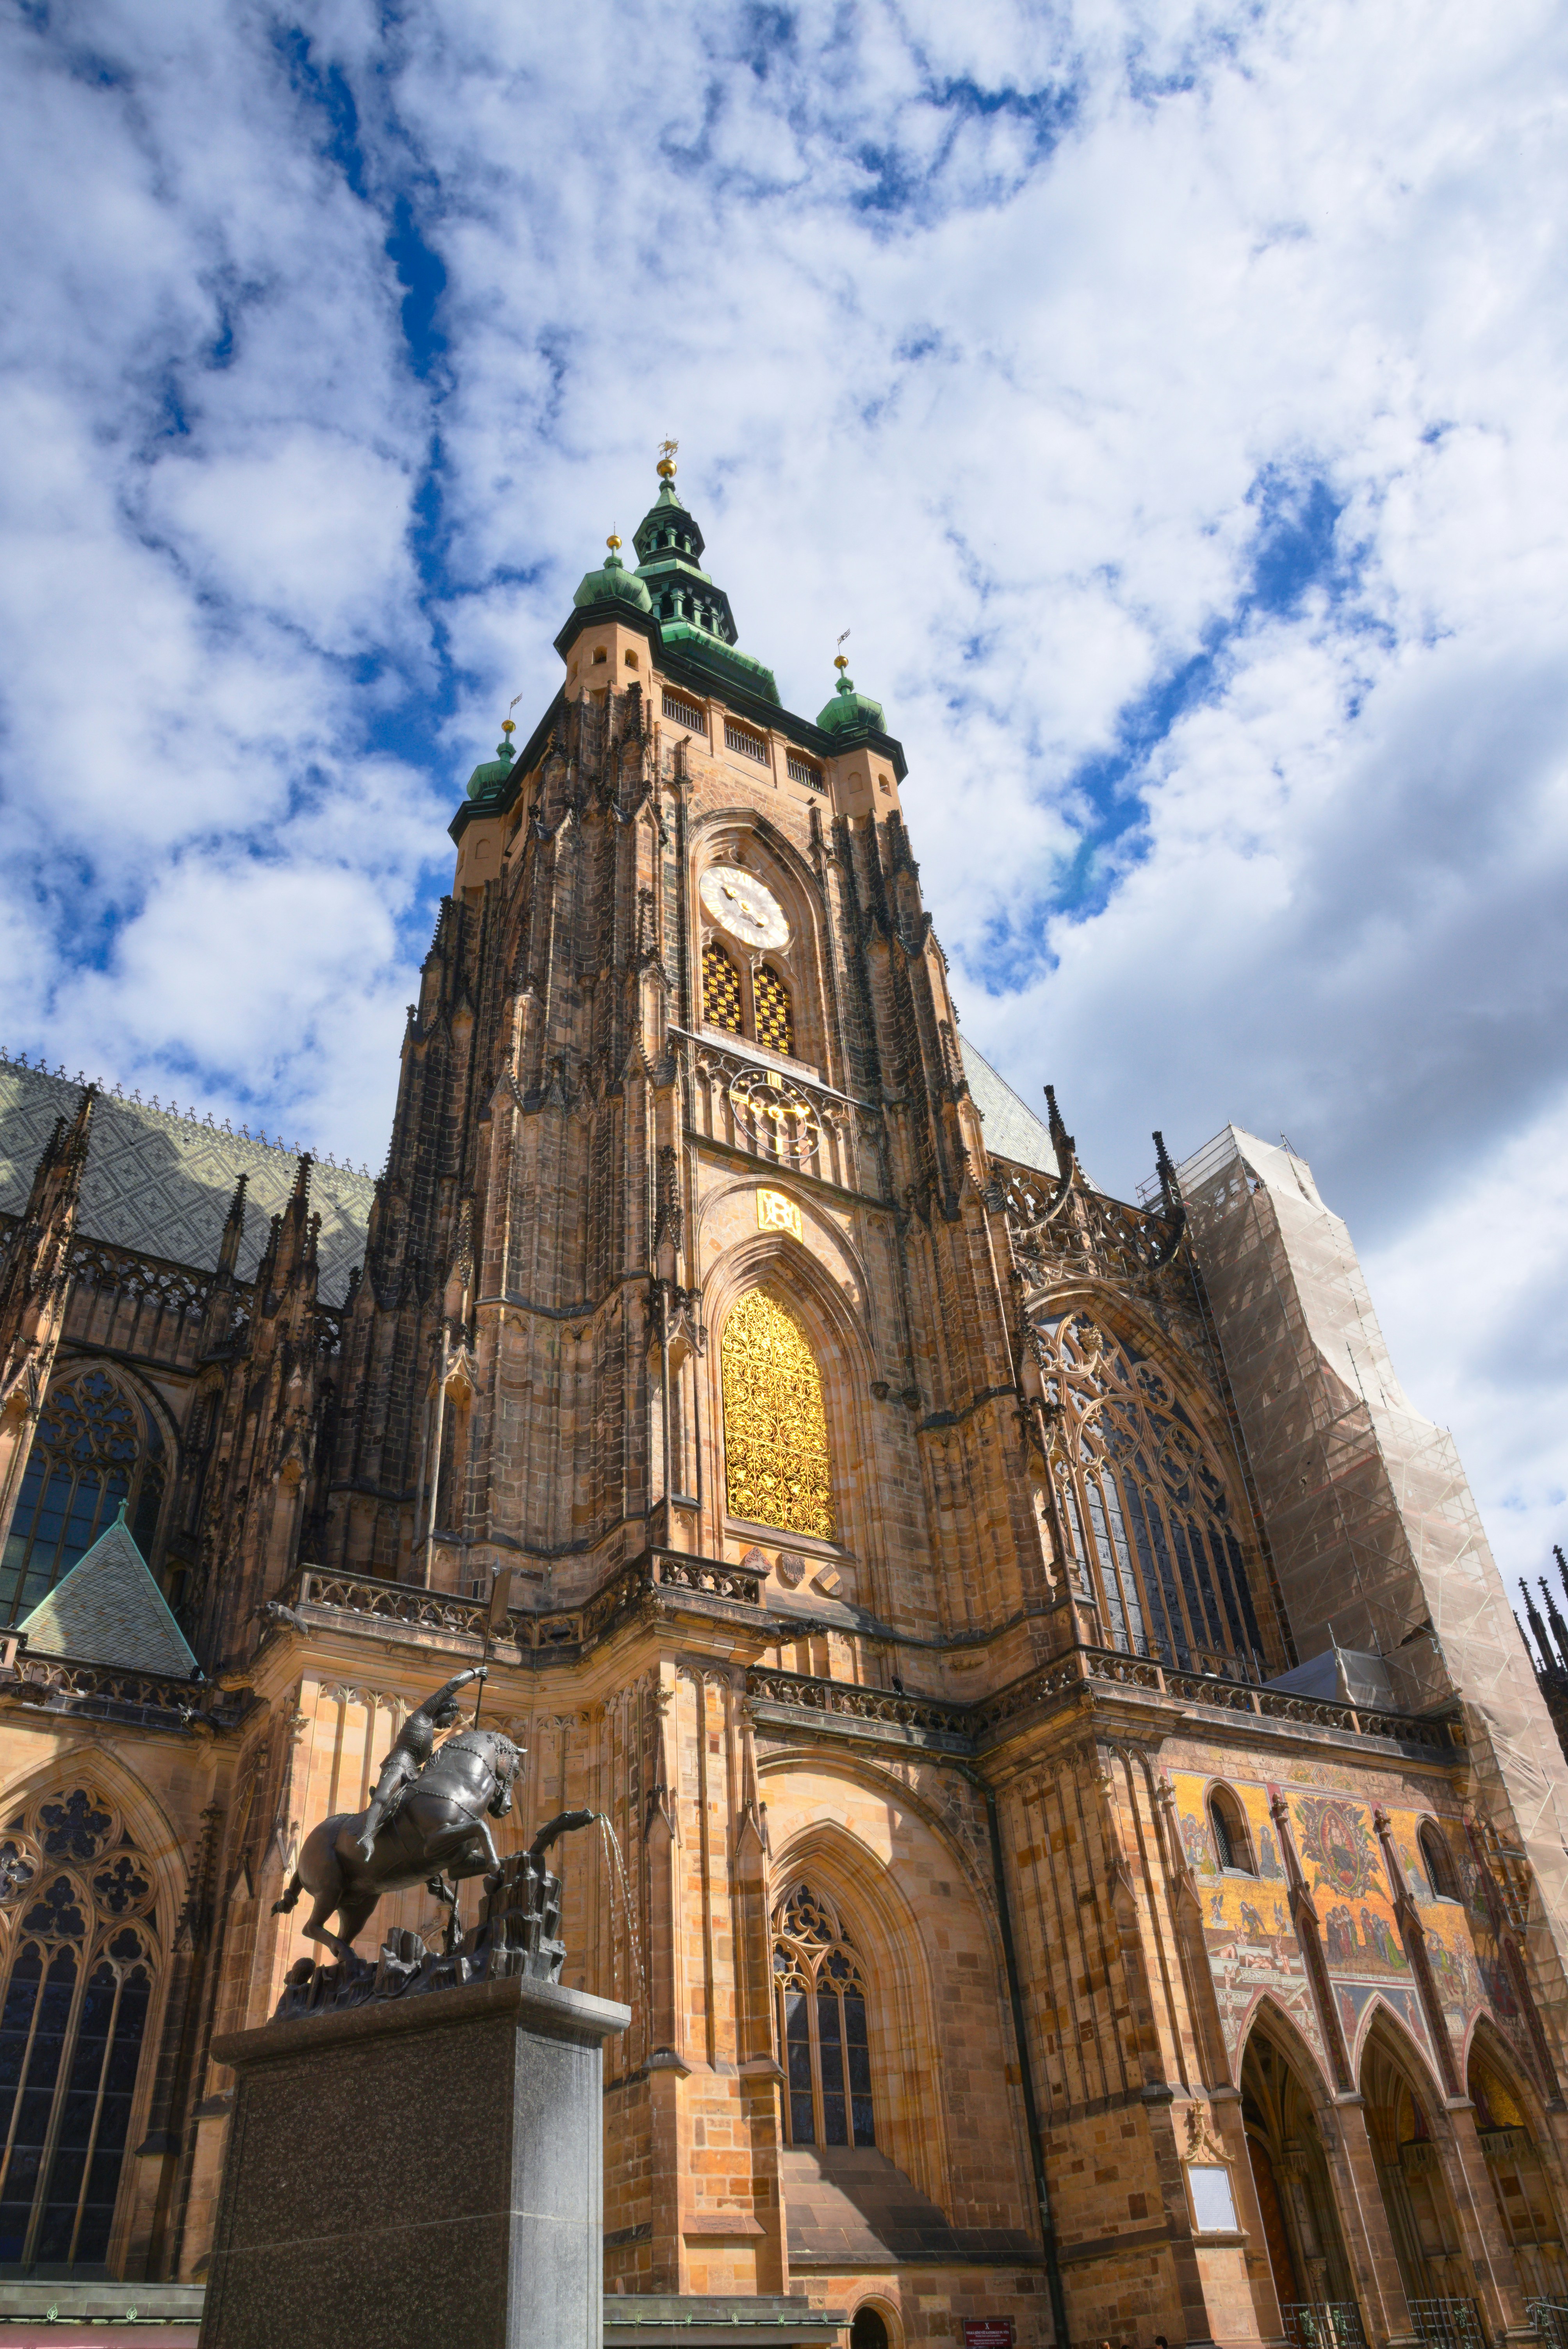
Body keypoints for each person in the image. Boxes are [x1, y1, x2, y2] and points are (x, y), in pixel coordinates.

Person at [354, 1667, 486, 1861]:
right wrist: (474, 1673)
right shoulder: (421, 1717)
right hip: (398, 1765)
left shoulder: (429, 1733)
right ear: (443, 1710)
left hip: (413, 1775)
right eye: (451, 1719)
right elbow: (451, 1686)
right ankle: (367, 1837)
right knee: (382, 1798)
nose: (449, 1725)